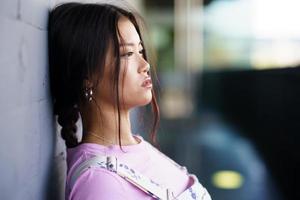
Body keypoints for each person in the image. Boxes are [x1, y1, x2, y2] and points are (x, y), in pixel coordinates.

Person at [48, 2, 211, 200]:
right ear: (87, 77)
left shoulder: (136, 148)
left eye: (140, 51)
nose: (145, 65)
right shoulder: (99, 183)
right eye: (127, 54)